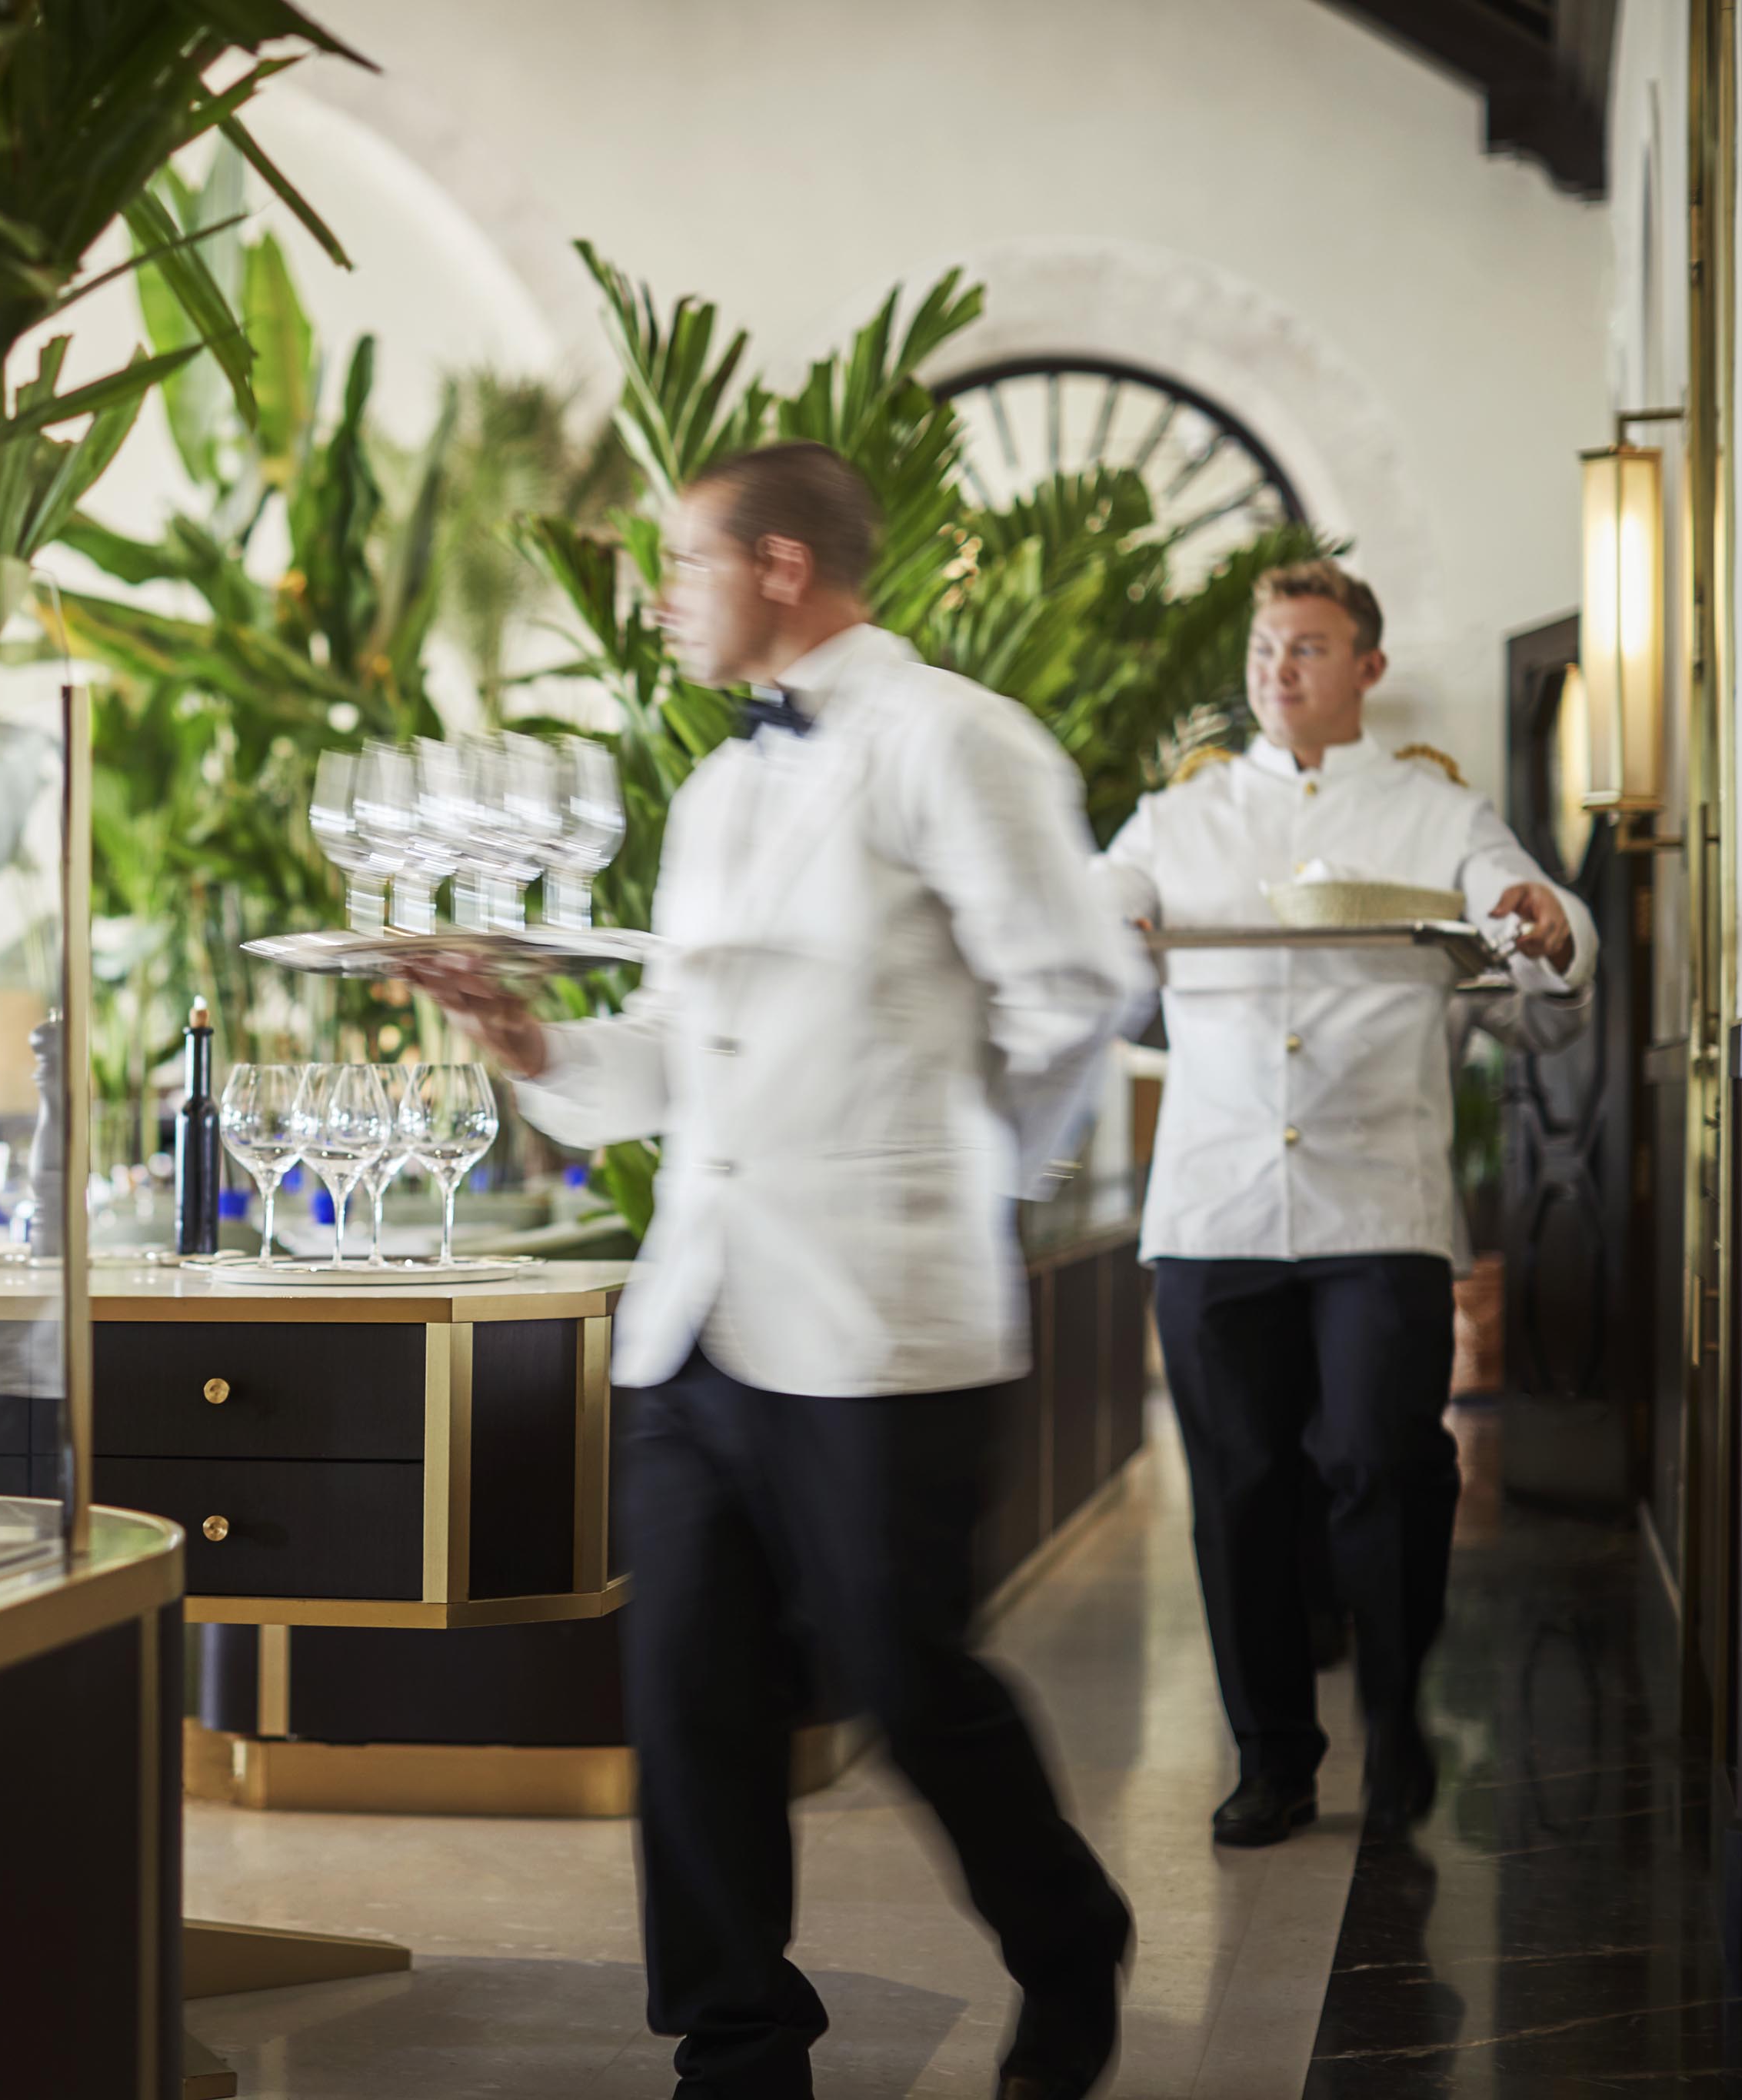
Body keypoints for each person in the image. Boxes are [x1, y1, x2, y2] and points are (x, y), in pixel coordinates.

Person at [411, 441, 1149, 2100]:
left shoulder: (954, 740)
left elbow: (1072, 989)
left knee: (903, 1674)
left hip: (886, 1320)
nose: (660, 599)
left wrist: (958, 1183)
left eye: (680, 564)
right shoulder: (716, 785)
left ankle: (1061, 1929)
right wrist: (537, 1043)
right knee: (687, 1705)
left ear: (780, 569)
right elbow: (677, 1048)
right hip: (698, 1318)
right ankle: (734, 2053)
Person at [1093, 559, 1594, 1847]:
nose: (1278, 671)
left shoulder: (1435, 809)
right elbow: (1097, 927)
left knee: (1387, 1463)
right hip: (1213, 1209)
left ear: (1365, 667)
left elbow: (1532, 926)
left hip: (1382, 1197)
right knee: (1241, 1489)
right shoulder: (1177, 817)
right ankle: (1273, 1755)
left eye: (1307, 648)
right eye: (1266, 650)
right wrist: (1106, 935)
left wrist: (1542, 923)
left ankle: (1397, 1712)